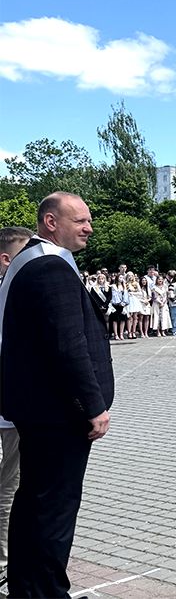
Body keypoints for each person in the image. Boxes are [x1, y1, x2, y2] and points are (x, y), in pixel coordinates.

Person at [0, 193, 115, 598]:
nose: (89, 227)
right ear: (51, 222)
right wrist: (93, 405)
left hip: (40, 411)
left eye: (89, 220)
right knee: (53, 509)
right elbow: (68, 344)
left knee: (33, 503)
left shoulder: (30, 261)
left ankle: (28, 588)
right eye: (80, 220)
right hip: (57, 415)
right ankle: (45, 591)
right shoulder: (49, 267)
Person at [0, 226, 34, 579]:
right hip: (10, 410)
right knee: (10, 488)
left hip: (16, 407)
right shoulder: (8, 294)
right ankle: (3, 568)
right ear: (7, 259)